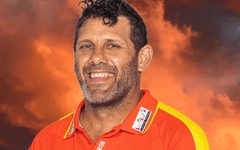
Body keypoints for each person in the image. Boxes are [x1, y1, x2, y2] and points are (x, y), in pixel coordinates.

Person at [29, 0, 209, 149]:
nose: (96, 58)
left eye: (112, 46)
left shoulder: (179, 136)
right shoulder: (46, 141)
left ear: (143, 58)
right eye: (86, 46)